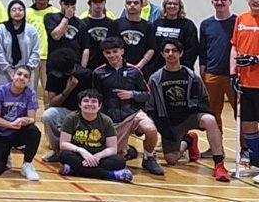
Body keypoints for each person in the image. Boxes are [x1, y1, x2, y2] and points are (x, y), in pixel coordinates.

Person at [148, 38, 229, 180]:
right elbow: (151, 106)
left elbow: (204, 98)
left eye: (174, 51)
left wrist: (198, 110)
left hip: (189, 117)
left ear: (181, 53)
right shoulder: (155, 78)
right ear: (162, 54)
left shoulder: (191, 75)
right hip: (171, 122)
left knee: (210, 120)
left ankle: (219, 164)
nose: (171, 54)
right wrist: (162, 127)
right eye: (167, 51)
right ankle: (189, 141)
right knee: (171, 160)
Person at [93, 37, 163, 175]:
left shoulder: (134, 71)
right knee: (116, 159)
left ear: (122, 51)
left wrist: (132, 94)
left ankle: (149, 157)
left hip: (133, 113)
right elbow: (95, 97)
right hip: (111, 118)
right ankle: (127, 150)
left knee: (150, 129)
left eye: (115, 51)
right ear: (104, 54)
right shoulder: (98, 73)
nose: (112, 55)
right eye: (108, 52)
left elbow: (147, 94)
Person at [0, 65, 41, 180]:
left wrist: (23, 121)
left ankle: (27, 164)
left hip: (19, 132)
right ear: (12, 75)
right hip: (1, 133)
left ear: (29, 81)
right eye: (19, 74)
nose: (21, 78)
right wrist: (10, 125)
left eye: (26, 76)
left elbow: (32, 118)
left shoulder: (31, 94)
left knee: (34, 131)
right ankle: (6, 154)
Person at [41, 48, 92, 161]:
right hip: (64, 110)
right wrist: (68, 89)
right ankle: (57, 150)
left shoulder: (87, 74)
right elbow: (53, 102)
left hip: (83, 112)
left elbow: (92, 100)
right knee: (48, 115)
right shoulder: (54, 75)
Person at [199, 0, 237, 137]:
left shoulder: (237, 22)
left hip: (233, 75)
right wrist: (202, 70)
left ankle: (245, 148)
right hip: (211, 74)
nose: (220, 2)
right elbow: (202, 49)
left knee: (240, 112)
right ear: (212, 2)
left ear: (230, 1)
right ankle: (216, 148)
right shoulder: (206, 24)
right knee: (213, 112)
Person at [231, 0, 259, 171]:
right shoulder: (241, 19)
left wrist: (256, 58)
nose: (256, 0)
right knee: (248, 124)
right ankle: (256, 162)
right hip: (246, 82)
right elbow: (234, 46)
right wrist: (233, 73)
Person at [0, 0, 40, 86]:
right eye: (14, 10)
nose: (17, 12)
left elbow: (35, 51)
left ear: (24, 12)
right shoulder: (1, 29)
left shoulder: (31, 30)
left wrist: (25, 71)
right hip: (5, 73)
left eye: (20, 9)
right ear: (9, 12)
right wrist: (9, 71)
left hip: (26, 73)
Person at [149, 0, 199, 75]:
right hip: (157, 69)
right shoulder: (157, 23)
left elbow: (192, 49)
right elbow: (152, 45)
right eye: (169, 3)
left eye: (175, 4)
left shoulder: (187, 25)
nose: (172, 6)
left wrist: (184, 68)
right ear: (165, 6)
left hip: (180, 70)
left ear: (180, 7)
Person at [117, 0, 156, 77]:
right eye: (129, 3)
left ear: (141, 5)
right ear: (125, 5)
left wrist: (139, 65)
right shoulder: (116, 24)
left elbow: (151, 49)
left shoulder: (148, 26)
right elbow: (112, 47)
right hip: (119, 68)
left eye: (136, 3)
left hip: (141, 69)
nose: (132, 5)